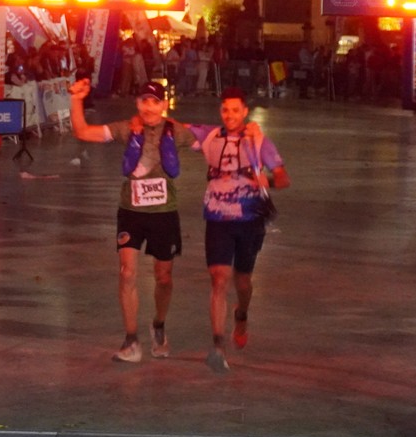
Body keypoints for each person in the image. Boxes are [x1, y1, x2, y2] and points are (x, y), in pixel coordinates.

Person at [68, 79, 198, 364]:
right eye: (144, 101)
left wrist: (247, 137)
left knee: (164, 276)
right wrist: (76, 99)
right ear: (137, 104)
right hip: (131, 211)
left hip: (164, 212)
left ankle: (159, 325)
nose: (149, 107)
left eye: (155, 102)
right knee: (127, 273)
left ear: (163, 105)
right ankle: (131, 340)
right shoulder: (127, 128)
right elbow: (82, 131)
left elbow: (212, 141)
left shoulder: (176, 131)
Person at [185, 87, 288, 373]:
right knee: (219, 278)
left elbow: (283, 178)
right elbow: (174, 126)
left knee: (242, 281)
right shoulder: (209, 136)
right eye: (225, 110)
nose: (229, 115)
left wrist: (266, 181)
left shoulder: (259, 141)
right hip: (218, 219)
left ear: (245, 112)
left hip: (250, 221)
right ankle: (217, 346)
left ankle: (241, 314)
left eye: (235, 110)